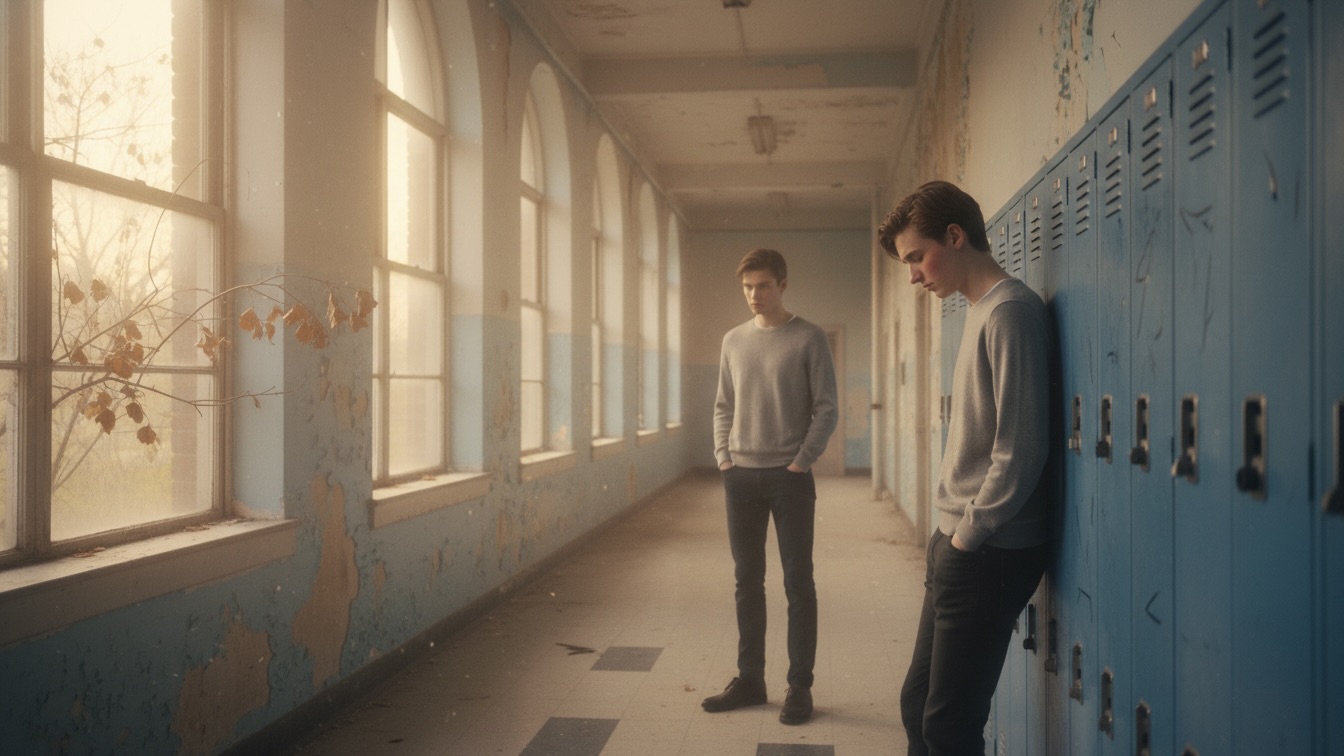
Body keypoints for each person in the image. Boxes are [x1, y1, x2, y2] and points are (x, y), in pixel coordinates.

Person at [878, 181, 1050, 755]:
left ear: (955, 237)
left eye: (916, 258)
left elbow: (1020, 447)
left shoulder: (1011, 312)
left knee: (950, 726)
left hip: (987, 551)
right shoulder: (980, 311)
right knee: (917, 704)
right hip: (960, 542)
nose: (914, 276)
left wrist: (966, 537)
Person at [702, 248, 838, 726]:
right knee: (746, 581)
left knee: (798, 582)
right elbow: (723, 405)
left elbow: (826, 408)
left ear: (782, 284)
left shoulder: (808, 337)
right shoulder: (733, 341)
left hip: (790, 478)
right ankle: (751, 680)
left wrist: (801, 462)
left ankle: (799, 686)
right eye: (746, 287)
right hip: (740, 476)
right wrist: (723, 457)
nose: (753, 295)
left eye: (762, 285)